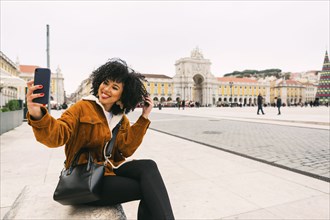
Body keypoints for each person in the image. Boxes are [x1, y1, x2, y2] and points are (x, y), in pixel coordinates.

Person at [26, 58, 175, 220]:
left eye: (115, 87)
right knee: (151, 190)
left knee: (148, 167)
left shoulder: (120, 118)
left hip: (107, 172)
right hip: (85, 178)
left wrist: (144, 117)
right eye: (106, 82)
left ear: (121, 96)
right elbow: (56, 136)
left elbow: (126, 149)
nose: (107, 89)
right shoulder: (81, 108)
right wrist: (37, 114)